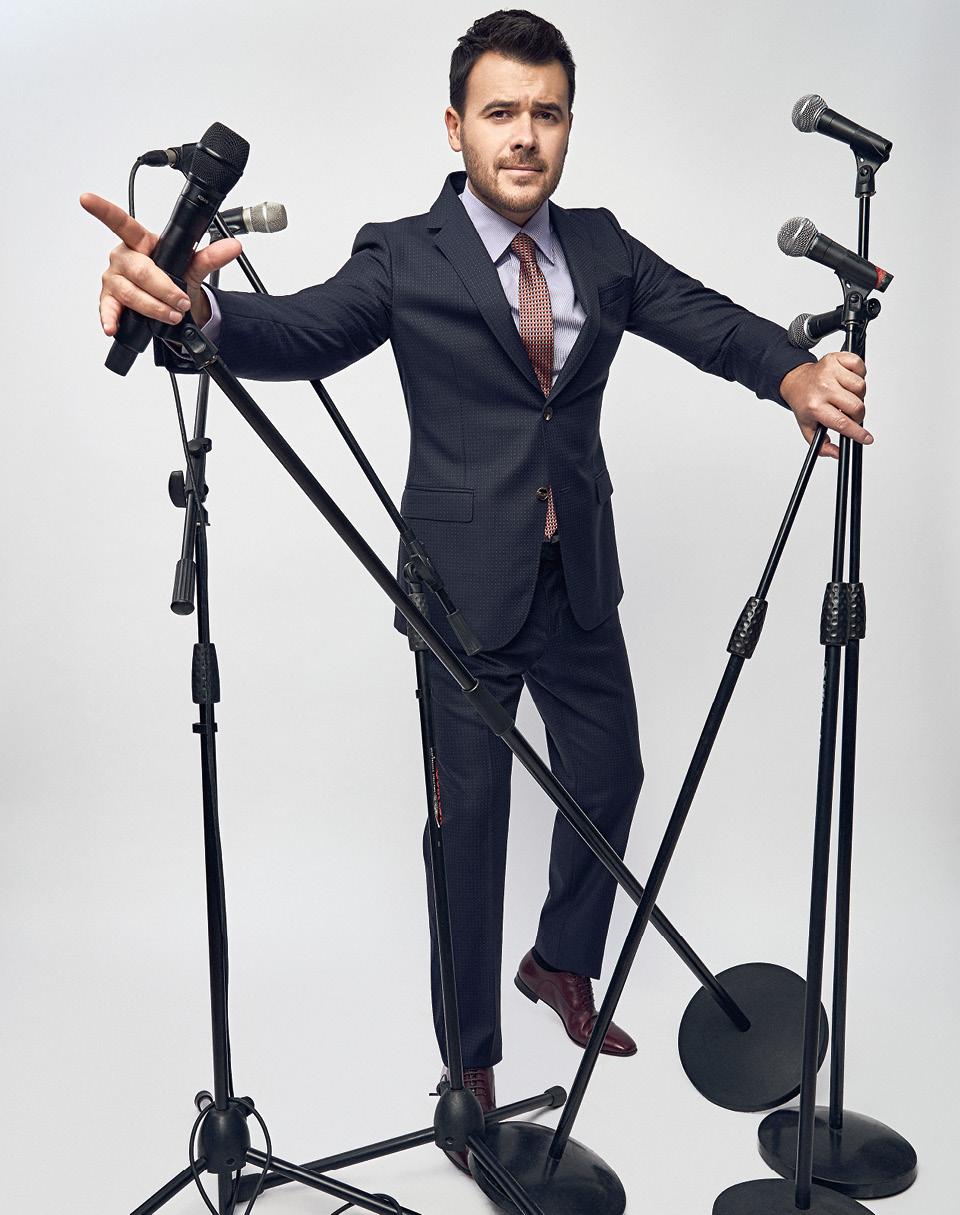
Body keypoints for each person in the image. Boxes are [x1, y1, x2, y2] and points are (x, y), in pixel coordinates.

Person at [81, 8, 869, 1177]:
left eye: (547, 113)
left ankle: (560, 961)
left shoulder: (600, 247)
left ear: (568, 126)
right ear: (456, 128)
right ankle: (471, 1068)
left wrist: (794, 372)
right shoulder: (405, 254)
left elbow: (703, 318)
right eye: (501, 112)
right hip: (460, 593)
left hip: (575, 573)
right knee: (472, 831)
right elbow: (300, 332)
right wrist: (197, 310)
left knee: (610, 774)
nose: (525, 135)